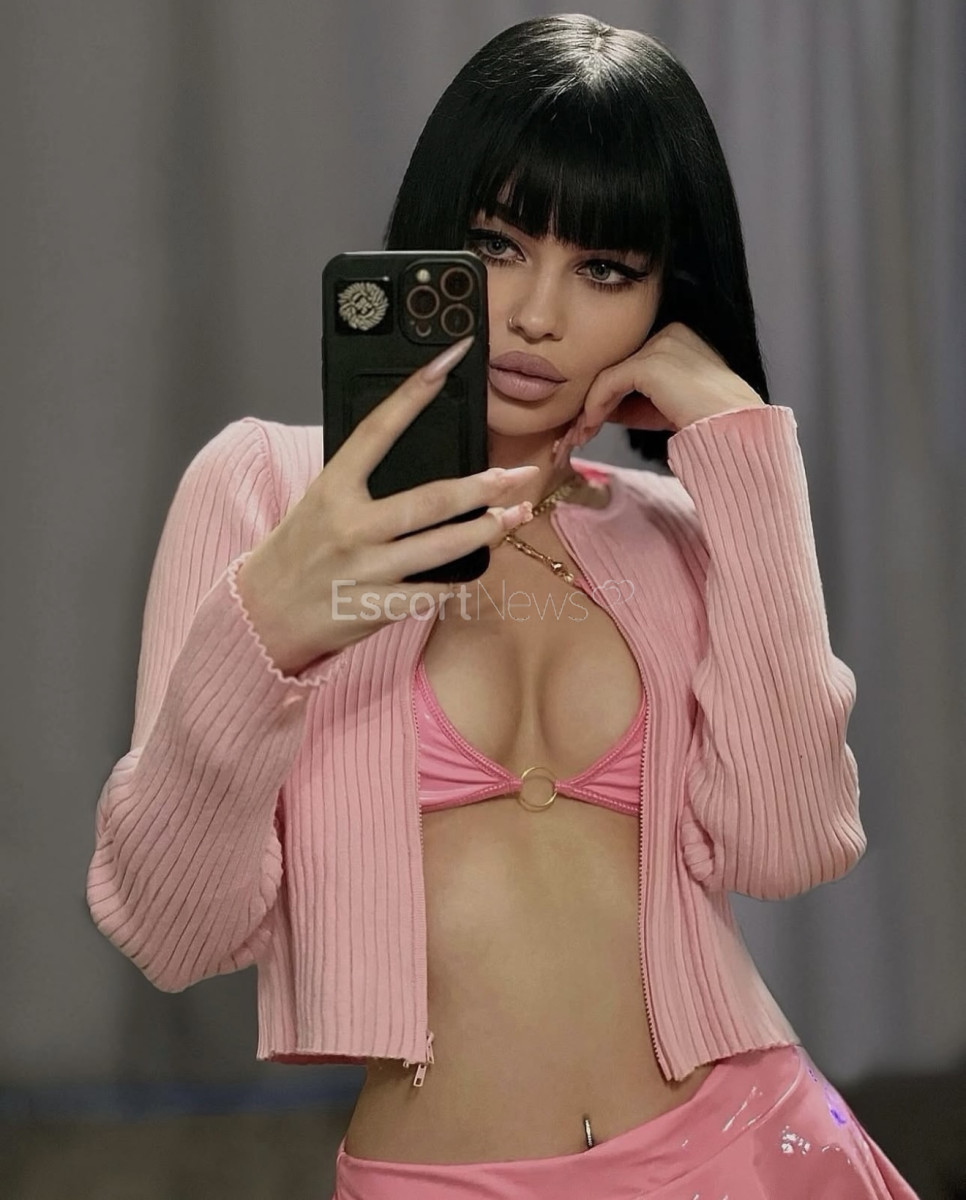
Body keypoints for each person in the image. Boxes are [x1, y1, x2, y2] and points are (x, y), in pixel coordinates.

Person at [86, 13, 921, 1199]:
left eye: (605, 269)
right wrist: (269, 621)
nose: (536, 313)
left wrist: (745, 458)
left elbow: (790, 848)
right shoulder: (267, 490)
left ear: (665, 299)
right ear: (432, 240)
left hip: (759, 1145)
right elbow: (176, 932)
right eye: (497, 244)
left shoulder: (681, 532)